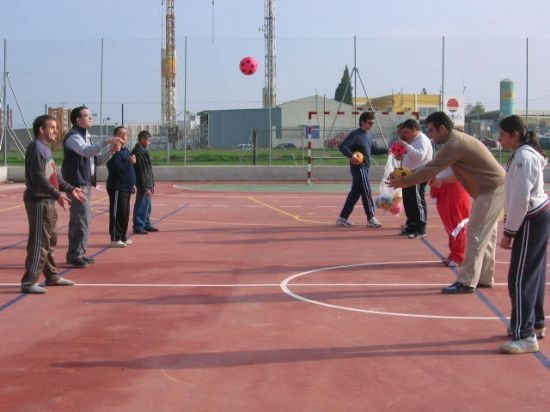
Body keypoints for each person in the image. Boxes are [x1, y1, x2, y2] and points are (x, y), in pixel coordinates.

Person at [388, 111, 505, 294]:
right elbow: (432, 167)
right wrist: (406, 176)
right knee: (487, 236)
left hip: (492, 189)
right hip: (493, 188)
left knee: (475, 234)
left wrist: (403, 181)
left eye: (432, 131)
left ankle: (466, 281)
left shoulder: (454, 142)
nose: (431, 135)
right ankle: (483, 277)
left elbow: (431, 168)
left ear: (443, 128)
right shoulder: (456, 140)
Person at [497, 115, 548, 354]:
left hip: (531, 218)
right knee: (533, 275)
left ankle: (525, 334)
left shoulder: (524, 158)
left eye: (503, 134)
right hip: (537, 216)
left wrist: (509, 232)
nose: (499, 139)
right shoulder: (524, 154)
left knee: (520, 278)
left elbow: (520, 199)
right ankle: (535, 324)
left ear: (514, 134)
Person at [21, 115, 86, 294]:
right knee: (39, 241)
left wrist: (71, 189)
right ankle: (29, 281)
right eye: (52, 127)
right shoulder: (36, 148)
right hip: (39, 201)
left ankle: (52, 276)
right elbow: (39, 178)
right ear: (41, 130)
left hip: (47, 199)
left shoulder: (45, 149)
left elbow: (54, 177)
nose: (56, 131)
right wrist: (57, 194)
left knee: (50, 240)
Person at [61, 106, 122, 267]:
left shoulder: (86, 137)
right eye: (87, 115)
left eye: (90, 115)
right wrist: (106, 141)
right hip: (77, 184)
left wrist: (112, 151)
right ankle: (75, 255)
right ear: (77, 120)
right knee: (80, 220)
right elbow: (87, 152)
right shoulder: (74, 137)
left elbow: (96, 160)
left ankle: (79, 252)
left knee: (84, 219)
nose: (91, 118)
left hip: (84, 183)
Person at [336, 111, 387, 228]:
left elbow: (374, 149)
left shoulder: (368, 135)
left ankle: (342, 218)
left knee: (355, 194)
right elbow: (343, 146)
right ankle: (371, 219)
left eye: (373, 123)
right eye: (370, 122)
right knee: (366, 191)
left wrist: (387, 150)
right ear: (362, 122)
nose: (371, 125)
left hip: (365, 168)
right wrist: (351, 155)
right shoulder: (355, 134)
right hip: (359, 168)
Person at [394, 119, 433, 238]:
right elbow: (411, 156)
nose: (404, 135)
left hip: (418, 175)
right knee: (409, 201)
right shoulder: (414, 140)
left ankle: (420, 228)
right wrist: (402, 156)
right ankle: (411, 225)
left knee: (417, 201)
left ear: (414, 130)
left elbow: (420, 157)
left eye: (406, 132)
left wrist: (406, 146)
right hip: (409, 175)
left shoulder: (422, 140)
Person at [429, 168, 471, 267]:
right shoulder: (445, 153)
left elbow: (462, 173)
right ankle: (454, 253)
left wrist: (442, 180)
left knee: (457, 226)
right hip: (442, 188)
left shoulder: (457, 153)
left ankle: (459, 257)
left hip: (454, 190)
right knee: (449, 226)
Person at [106, 126, 136, 247]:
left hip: (127, 187)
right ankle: (115, 238)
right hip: (118, 187)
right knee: (117, 213)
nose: (124, 136)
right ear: (115, 136)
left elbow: (129, 169)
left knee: (125, 213)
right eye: (121, 134)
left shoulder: (125, 150)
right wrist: (129, 161)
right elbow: (114, 168)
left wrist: (133, 184)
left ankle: (122, 237)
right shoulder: (114, 151)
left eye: (126, 134)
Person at [132, 130, 159, 234]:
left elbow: (148, 170)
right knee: (141, 205)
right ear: (142, 140)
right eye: (148, 140)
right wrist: (145, 186)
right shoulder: (137, 153)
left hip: (147, 183)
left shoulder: (144, 151)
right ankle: (138, 226)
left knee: (147, 206)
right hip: (143, 184)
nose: (149, 143)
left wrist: (151, 184)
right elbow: (141, 171)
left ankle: (146, 224)